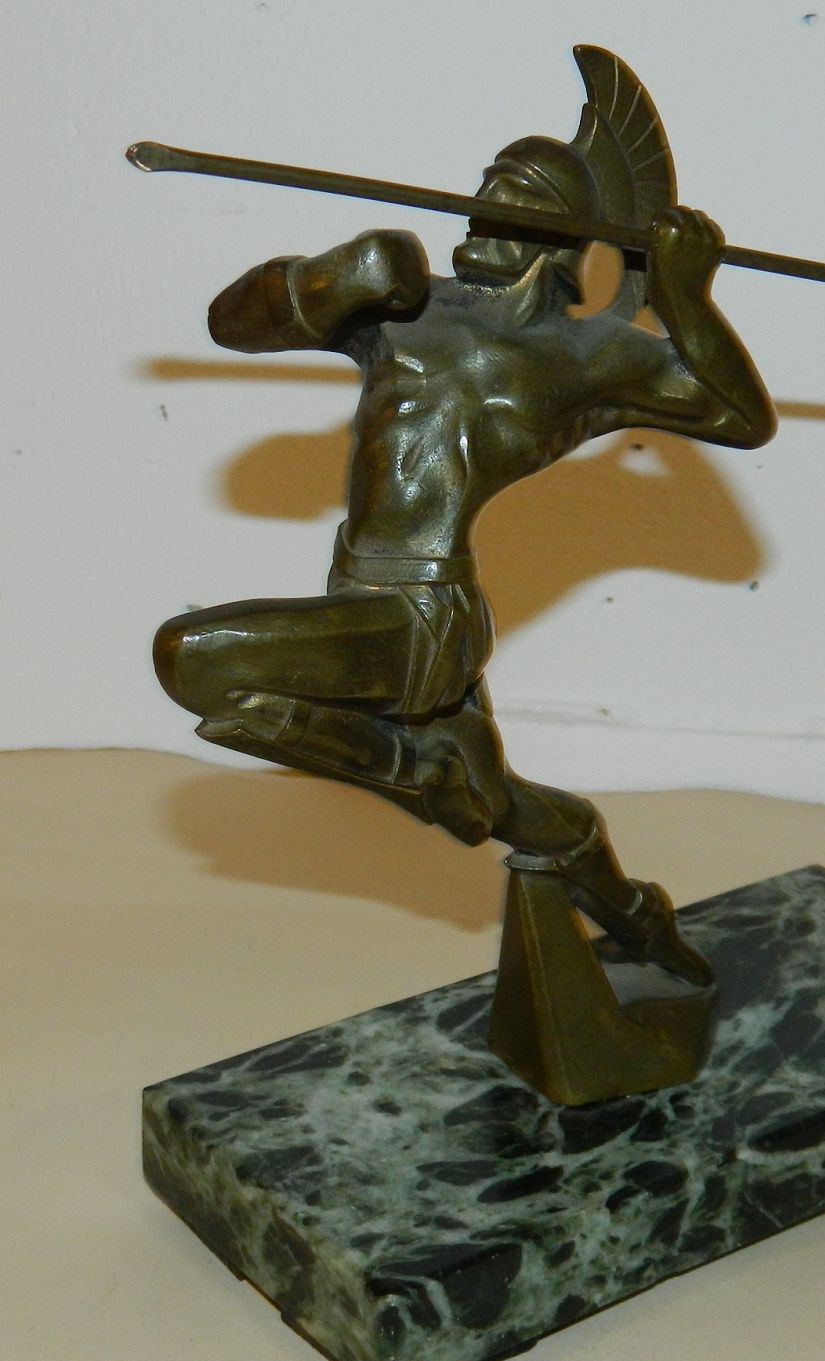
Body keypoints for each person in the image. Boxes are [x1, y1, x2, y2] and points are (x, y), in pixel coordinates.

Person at [154, 124, 774, 989]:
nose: (483, 207)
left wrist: (683, 298)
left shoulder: (593, 355)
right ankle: (634, 911)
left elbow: (738, 418)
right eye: (487, 186)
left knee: (193, 660)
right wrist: (325, 280)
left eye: (515, 197)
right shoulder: (407, 310)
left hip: (421, 613)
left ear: (567, 236)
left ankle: (412, 765)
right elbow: (232, 326)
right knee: (504, 804)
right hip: (356, 591)